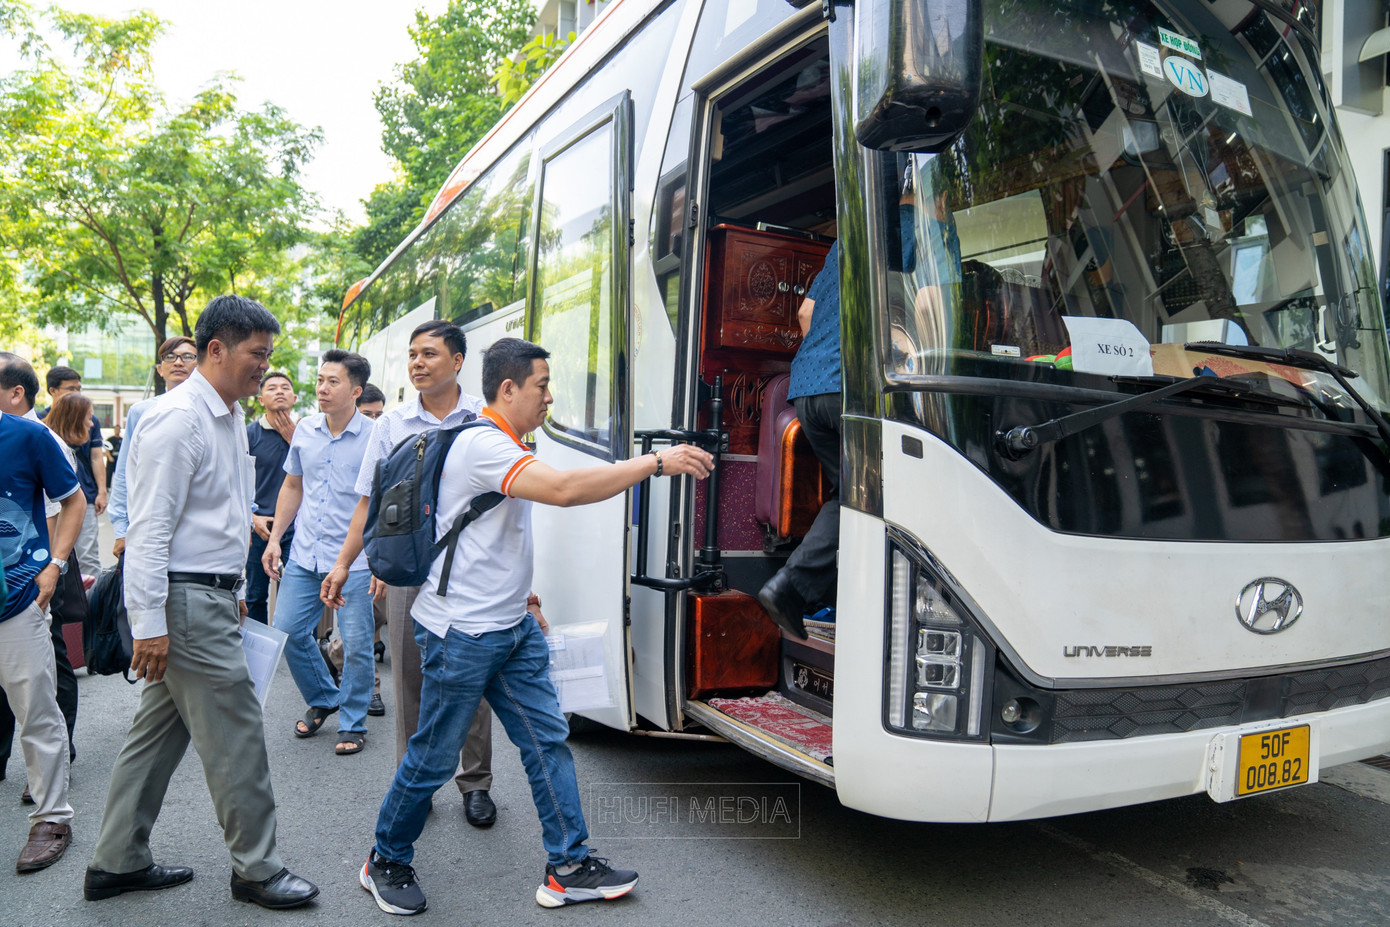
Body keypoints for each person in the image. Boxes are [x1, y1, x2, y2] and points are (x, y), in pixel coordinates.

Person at [353, 337, 713, 915]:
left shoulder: (505, 441)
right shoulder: (481, 444)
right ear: (509, 388)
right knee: (434, 758)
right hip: (462, 634)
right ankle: (385, 860)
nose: (549, 397)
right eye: (542, 386)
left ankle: (568, 865)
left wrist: (527, 599)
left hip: (511, 628)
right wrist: (655, 462)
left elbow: (493, 540)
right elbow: (564, 492)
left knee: (547, 742)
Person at [85, 295, 319, 909]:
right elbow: (149, 530)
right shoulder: (178, 419)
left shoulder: (227, 415)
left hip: (204, 597)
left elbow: (223, 514)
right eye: (257, 354)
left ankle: (116, 860)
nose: (265, 366)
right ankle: (257, 869)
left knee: (156, 736)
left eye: (268, 354)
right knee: (237, 735)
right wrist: (149, 624)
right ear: (217, 349)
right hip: (183, 602)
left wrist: (234, 589)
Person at [321, 321, 499, 828]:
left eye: (430, 354)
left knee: (471, 680)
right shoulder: (392, 424)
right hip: (409, 570)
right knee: (409, 676)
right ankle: (414, 782)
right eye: (413, 354)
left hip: (471, 570)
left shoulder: (485, 419)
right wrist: (346, 563)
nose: (418, 363)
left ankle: (476, 782)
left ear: (458, 361)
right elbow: (368, 503)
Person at [262, 350, 377, 756]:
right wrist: (275, 539)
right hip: (305, 554)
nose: (322, 388)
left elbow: (376, 503)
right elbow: (293, 486)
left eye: (333, 381)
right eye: (320, 380)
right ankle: (325, 697)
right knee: (289, 631)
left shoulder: (375, 437)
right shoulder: (306, 430)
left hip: (354, 560)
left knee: (357, 644)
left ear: (356, 391)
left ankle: (354, 721)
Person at [0, 352, 84, 874]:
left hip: (16, 599)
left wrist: (55, 566)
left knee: (36, 712)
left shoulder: (29, 436)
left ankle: (52, 818)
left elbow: (73, 501)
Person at [108, 337, 198, 558]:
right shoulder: (141, 411)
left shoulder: (214, 410)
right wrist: (121, 529)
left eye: (187, 357)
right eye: (170, 357)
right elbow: (124, 471)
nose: (178, 362)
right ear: (160, 369)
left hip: (198, 526)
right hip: (148, 522)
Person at [40, 366, 105, 583]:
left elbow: (96, 457)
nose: (77, 393)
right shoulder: (39, 425)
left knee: (87, 556)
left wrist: (102, 491)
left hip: (84, 495)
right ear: (53, 390)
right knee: (53, 555)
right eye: (71, 389)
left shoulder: (90, 421)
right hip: (52, 503)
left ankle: (89, 601)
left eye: (79, 388)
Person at [245, 371, 298, 625]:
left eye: (285, 388)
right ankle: (258, 647)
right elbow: (234, 481)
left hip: (296, 527)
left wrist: (294, 441)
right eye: (272, 388)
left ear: (294, 398)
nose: (279, 392)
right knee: (255, 595)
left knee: (300, 594)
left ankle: (300, 644)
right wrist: (251, 517)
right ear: (260, 399)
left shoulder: (306, 434)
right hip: (260, 528)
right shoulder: (248, 434)